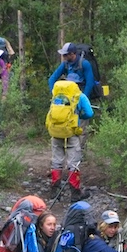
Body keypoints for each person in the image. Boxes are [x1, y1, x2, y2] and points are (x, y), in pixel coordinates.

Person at [46, 69, 94, 198]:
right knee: (74, 162)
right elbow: (89, 113)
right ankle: (75, 193)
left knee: (57, 160)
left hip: (56, 131)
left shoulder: (57, 94)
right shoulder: (80, 96)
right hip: (72, 132)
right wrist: (80, 115)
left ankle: (54, 191)